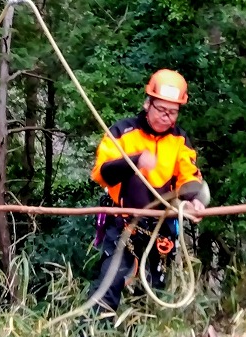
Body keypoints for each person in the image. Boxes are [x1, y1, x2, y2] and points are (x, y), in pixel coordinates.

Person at [88, 69, 209, 312]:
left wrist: (195, 200)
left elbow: (189, 176)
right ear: (147, 104)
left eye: (172, 112)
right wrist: (134, 161)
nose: (166, 117)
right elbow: (102, 173)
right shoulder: (123, 132)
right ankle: (91, 334)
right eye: (161, 109)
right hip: (123, 222)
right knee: (109, 283)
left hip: (161, 226)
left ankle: (144, 334)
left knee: (154, 293)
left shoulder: (179, 140)